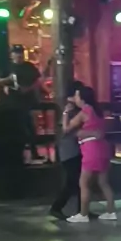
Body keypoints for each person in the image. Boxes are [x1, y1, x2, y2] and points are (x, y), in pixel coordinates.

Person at [63, 86, 116, 223]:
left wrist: (65, 113)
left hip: (91, 150)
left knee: (84, 183)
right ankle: (111, 212)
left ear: (82, 99)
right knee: (103, 182)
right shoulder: (98, 111)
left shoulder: (85, 112)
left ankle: (83, 214)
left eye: (77, 96)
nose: (75, 99)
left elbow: (66, 129)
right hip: (103, 149)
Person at [0, 45, 44, 161]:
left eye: (20, 52)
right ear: (11, 54)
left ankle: (34, 153)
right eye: (16, 53)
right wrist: (7, 81)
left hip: (26, 103)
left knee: (30, 128)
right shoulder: (6, 67)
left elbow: (38, 80)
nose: (19, 55)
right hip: (11, 104)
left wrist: (28, 88)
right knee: (14, 130)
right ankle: (16, 155)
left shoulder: (29, 66)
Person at [49, 81, 84, 221]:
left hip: (73, 149)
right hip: (69, 150)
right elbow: (65, 129)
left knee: (80, 181)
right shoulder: (70, 109)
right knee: (73, 181)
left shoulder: (73, 108)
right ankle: (56, 207)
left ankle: (82, 210)